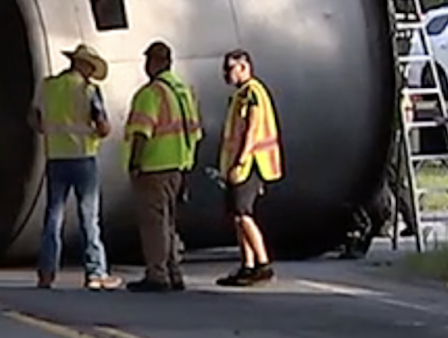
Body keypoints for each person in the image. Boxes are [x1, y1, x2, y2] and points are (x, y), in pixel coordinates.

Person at [34, 43, 123, 291]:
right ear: (84, 65)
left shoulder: (48, 86)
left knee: (53, 217)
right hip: (83, 158)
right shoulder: (89, 90)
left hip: (56, 158)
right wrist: (97, 132)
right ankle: (96, 273)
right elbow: (103, 126)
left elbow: (35, 120)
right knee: (89, 218)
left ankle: (46, 273)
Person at [123, 40, 203, 293]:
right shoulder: (183, 92)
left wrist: (135, 163)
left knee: (154, 224)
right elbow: (194, 133)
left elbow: (141, 132)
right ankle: (173, 272)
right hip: (177, 166)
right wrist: (186, 166)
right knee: (168, 223)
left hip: (153, 167)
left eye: (148, 61)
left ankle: (157, 274)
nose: (146, 66)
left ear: (156, 62)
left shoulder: (151, 94)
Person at [216, 49, 283, 287]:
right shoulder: (240, 94)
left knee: (244, 214)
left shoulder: (252, 92)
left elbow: (252, 129)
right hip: (241, 164)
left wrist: (241, 159)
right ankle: (248, 265)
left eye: (230, 68)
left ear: (244, 67)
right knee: (237, 216)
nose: (226, 74)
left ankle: (263, 264)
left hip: (251, 164)